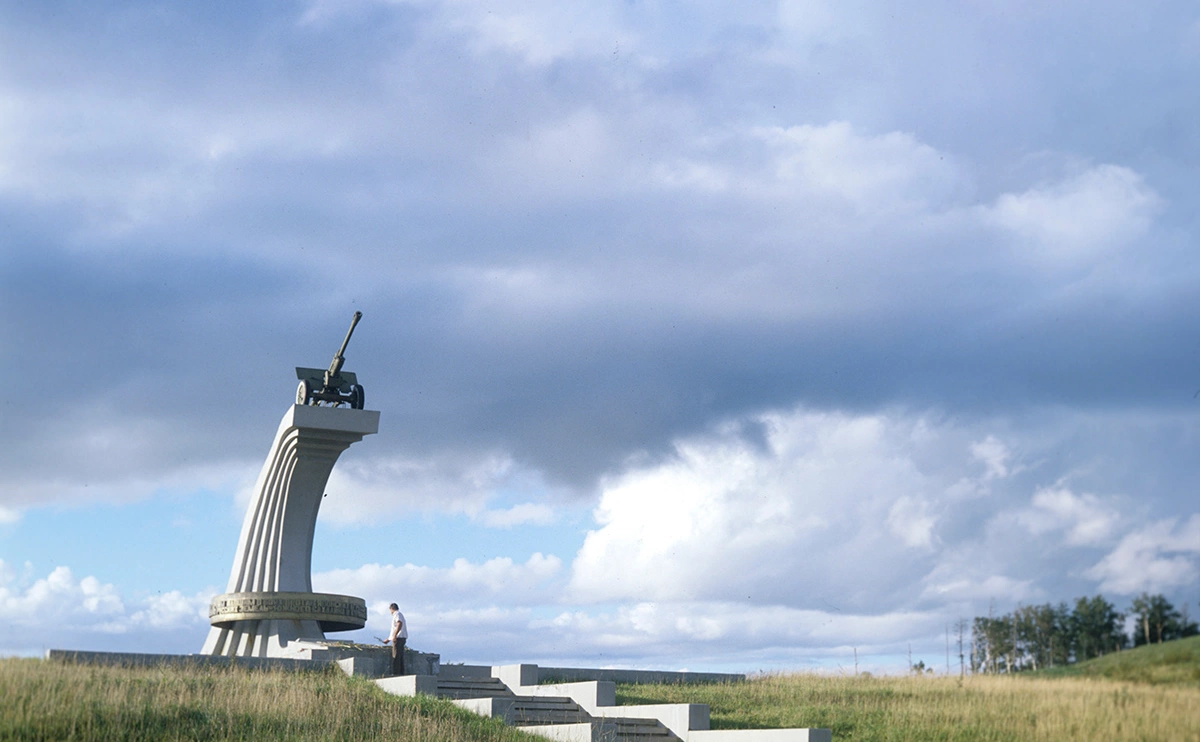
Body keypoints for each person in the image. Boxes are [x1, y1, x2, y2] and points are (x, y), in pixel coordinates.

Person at [382, 602, 407, 676]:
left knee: (396, 656)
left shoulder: (397, 614)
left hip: (399, 638)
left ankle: (396, 673)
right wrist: (389, 639)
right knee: (399, 656)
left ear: (391, 609)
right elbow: (394, 628)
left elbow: (399, 624)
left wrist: (395, 636)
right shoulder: (399, 614)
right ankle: (400, 673)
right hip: (400, 638)